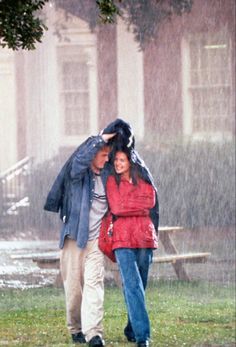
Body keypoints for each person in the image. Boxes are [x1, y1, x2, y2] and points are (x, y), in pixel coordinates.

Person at [44, 130, 116, 347]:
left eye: (107, 155)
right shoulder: (77, 175)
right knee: (75, 291)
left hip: (95, 242)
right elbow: (79, 160)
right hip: (73, 238)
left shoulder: (108, 176)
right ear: (94, 153)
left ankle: (93, 333)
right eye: (103, 155)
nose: (106, 159)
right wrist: (99, 141)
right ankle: (75, 328)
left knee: (94, 285)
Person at [106, 146, 159, 347]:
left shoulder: (144, 179)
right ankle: (142, 336)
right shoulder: (112, 181)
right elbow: (117, 207)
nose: (118, 164)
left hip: (145, 237)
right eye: (116, 160)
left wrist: (129, 204)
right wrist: (137, 204)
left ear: (131, 162)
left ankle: (131, 327)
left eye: (122, 160)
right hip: (122, 239)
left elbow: (150, 201)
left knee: (140, 285)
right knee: (133, 284)